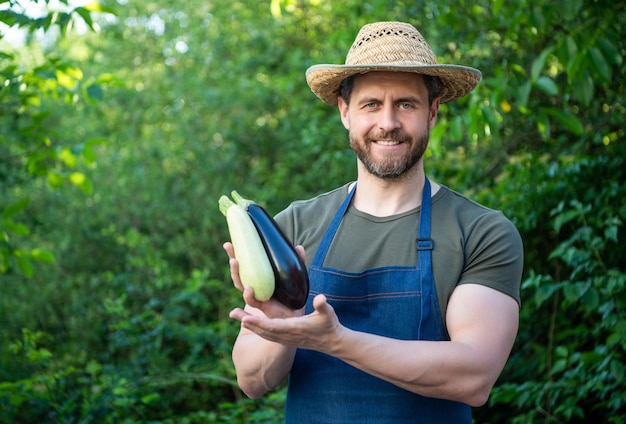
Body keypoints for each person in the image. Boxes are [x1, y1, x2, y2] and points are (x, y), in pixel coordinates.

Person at [224, 21, 523, 423]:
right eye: (370, 105)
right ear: (345, 112)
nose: (388, 123)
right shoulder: (292, 227)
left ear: (432, 113)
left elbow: (474, 375)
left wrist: (336, 341)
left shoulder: (480, 232)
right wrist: (284, 325)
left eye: (406, 104)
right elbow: (253, 380)